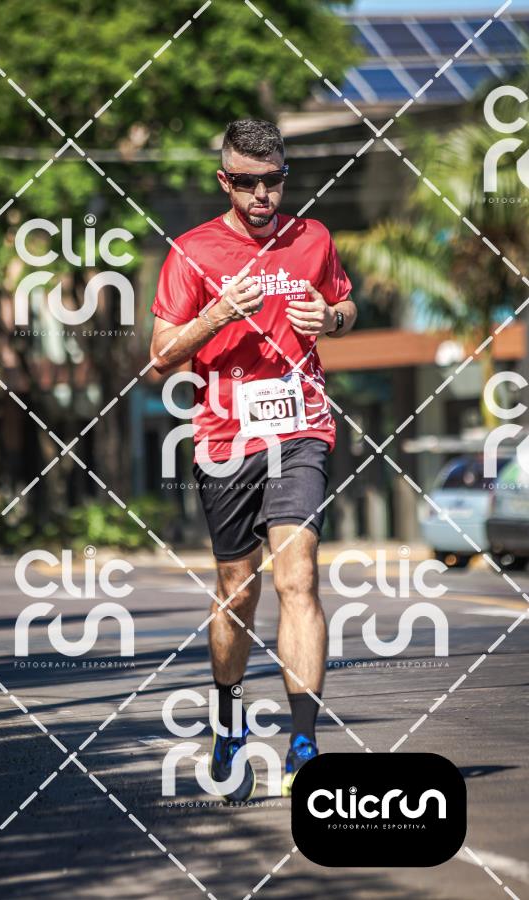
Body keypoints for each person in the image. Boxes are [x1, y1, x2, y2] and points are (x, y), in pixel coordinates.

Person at [150, 118, 356, 800]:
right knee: (238, 589)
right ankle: (229, 716)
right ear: (225, 181)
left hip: (301, 429)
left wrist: (332, 320)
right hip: (225, 440)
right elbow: (159, 357)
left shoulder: (313, 238)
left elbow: (346, 304)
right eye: (247, 182)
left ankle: (304, 744)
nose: (263, 195)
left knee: (299, 577)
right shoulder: (191, 252)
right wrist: (216, 316)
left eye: (274, 181)